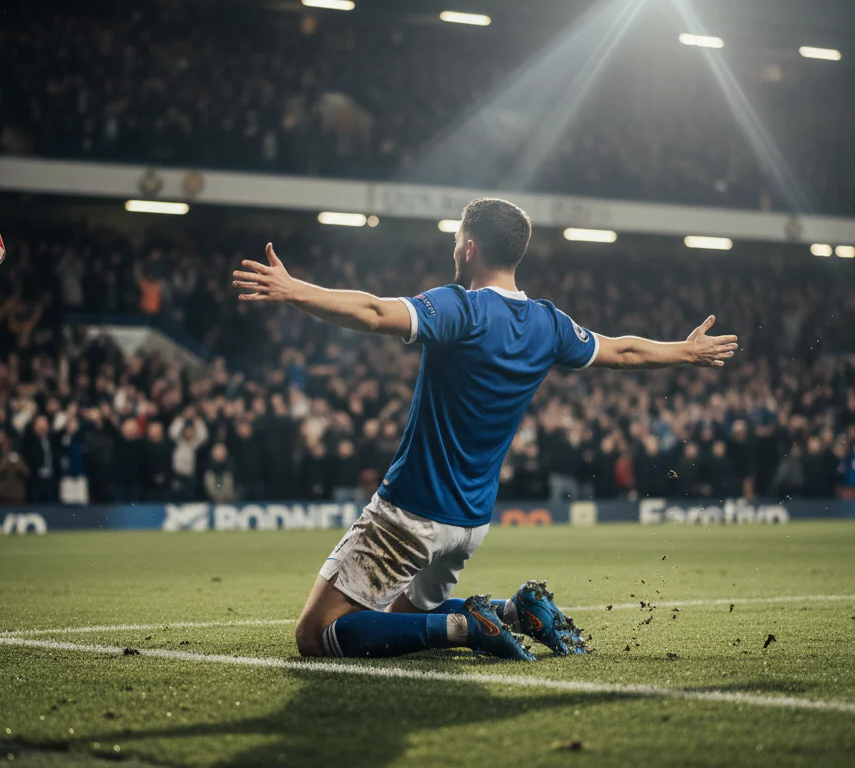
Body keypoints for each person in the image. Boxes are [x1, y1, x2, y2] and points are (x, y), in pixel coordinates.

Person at [234, 197, 737, 661]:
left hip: (411, 511)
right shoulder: (549, 323)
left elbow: (373, 312)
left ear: (470, 247)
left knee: (315, 634)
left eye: (457, 239)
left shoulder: (461, 308)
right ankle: (519, 610)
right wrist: (686, 351)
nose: (455, 247)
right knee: (401, 624)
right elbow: (623, 352)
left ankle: (467, 628)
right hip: (470, 522)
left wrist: (294, 290)